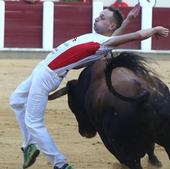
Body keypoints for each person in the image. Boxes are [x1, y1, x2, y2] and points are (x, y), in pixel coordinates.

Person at [9, 3, 169, 169]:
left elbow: (136, 36)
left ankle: (60, 164)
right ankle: (29, 145)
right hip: (42, 69)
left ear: (111, 25)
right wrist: (128, 20)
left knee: (34, 123)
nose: (96, 18)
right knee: (16, 100)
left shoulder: (102, 44)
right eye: (99, 15)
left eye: (102, 17)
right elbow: (114, 38)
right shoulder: (101, 40)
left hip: (47, 74)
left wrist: (154, 29)